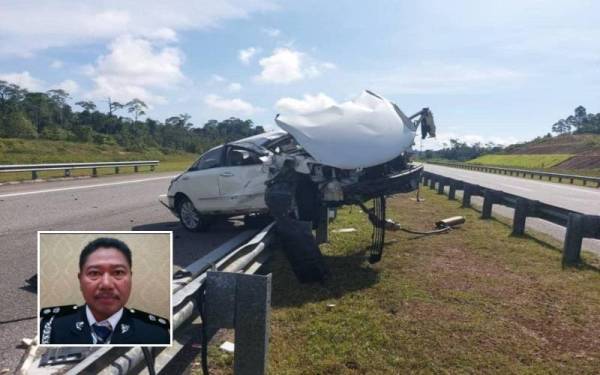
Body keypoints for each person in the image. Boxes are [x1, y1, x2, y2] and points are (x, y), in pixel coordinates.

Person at [39, 237, 170, 345]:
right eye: (94, 273)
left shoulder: (155, 332)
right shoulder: (51, 327)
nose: (106, 284)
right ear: (80, 280)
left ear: (131, 278)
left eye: (118, 272)